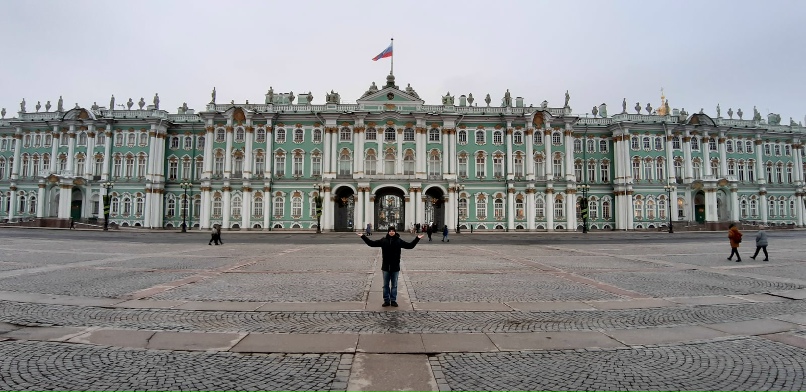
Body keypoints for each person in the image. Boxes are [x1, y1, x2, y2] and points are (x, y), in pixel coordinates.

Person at [357, 227, 423, 307]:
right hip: (385, 267)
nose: (391, 232)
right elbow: (371, 243)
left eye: (393, 231)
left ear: (395, 232)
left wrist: (417, 238)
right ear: (388, 232)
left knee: (394, 285)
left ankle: (393, 300)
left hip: (395, 267)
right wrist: (363, 236)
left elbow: (410, 246)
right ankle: (386, 300)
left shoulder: (399, 241)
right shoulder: (383, 240)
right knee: (385, 285)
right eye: (390, 231)